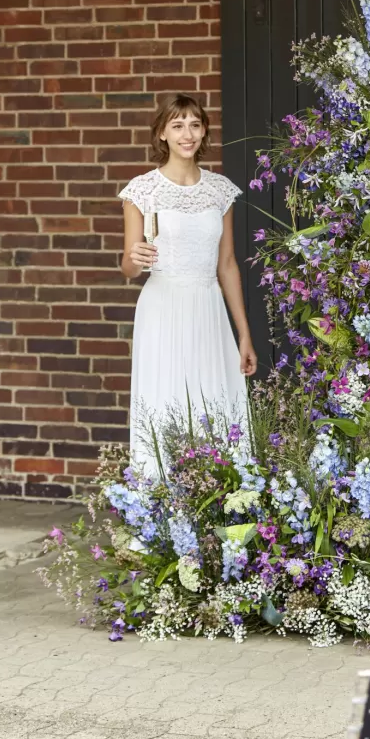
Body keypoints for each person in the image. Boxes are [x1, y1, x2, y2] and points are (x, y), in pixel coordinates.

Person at [119, 93, 257, 477]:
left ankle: (224, 501)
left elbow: (227, 265)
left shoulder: (220, 191)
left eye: (195, 124)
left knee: (216, 400)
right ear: (162, 133)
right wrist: (136, 256)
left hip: (208, 308)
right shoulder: (141, 191)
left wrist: (243, 334)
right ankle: (161, 511)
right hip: (162, 306)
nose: (187, 133)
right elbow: (128, 267)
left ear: (204, 131)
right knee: (165, 402)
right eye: (177, 125)